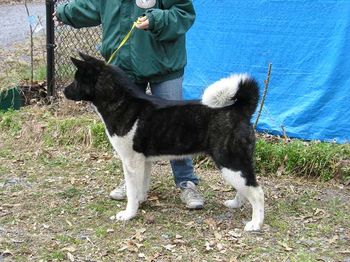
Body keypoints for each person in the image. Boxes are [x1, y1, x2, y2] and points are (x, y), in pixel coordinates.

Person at [54, 0, 204, 209]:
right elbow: (92, 6)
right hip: (124, 67)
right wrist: (64, 13)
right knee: (128, 133)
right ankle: (135, 184)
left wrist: (156, 19)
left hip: (164, 63)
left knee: (176, 126)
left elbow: (183, 13)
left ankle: (186, 181)